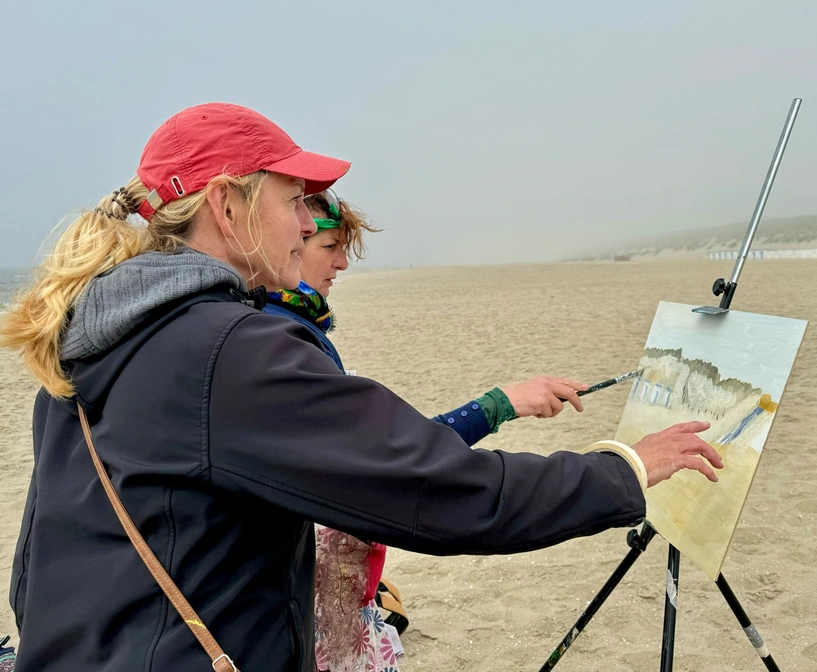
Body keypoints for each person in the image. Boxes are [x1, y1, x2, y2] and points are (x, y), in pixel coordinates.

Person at [0, 102, 723, 672]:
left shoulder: (91, 333)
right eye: (294, 199)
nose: (305, 222)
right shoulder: (229, 350)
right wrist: (623, 469)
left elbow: (35, 569)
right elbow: (437, 489)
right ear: (227, 206)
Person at [266, 190, 596, 671]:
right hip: (308, 609)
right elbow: (393, 460)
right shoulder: (279, 337)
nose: (341, 263)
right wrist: (499, 405)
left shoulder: (293, 329)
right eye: (328, 247)